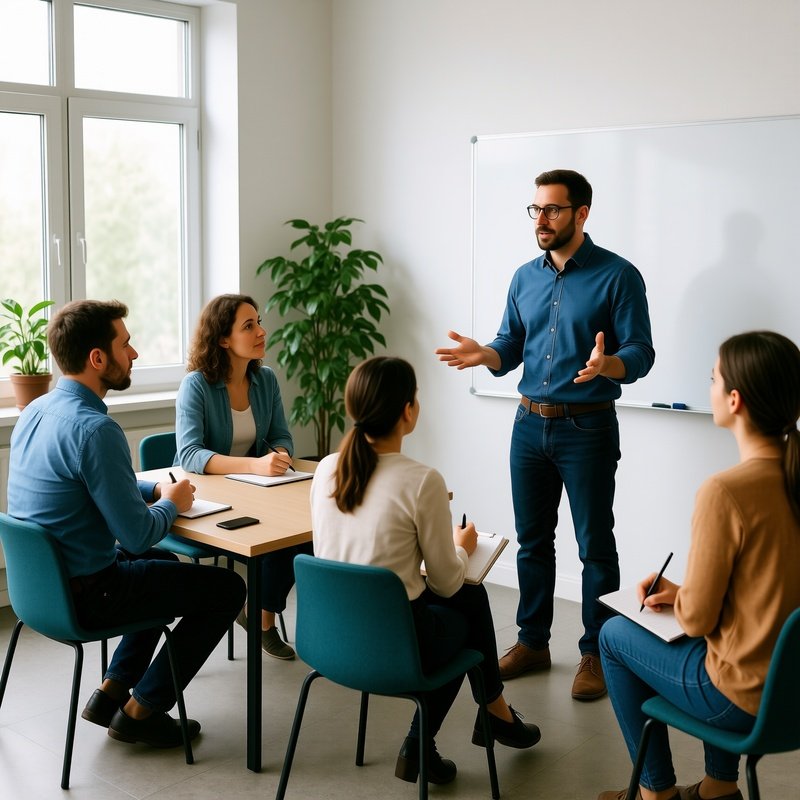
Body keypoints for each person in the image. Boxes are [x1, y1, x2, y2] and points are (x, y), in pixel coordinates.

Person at [435, 169, 655, 700]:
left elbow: (640, 354)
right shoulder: (523, 277)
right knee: (533, 544)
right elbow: (510, 345)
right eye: (535, 210)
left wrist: (608, 366)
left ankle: (596, 653)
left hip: (588, 428)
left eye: (553, 210)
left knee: (594, 548)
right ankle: (532, 642)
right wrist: (485, 354)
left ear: (581, 214)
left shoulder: (618, 276)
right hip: (528, 424)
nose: (541, 220)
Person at [7, 299, 246, 749]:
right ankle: (144, 710)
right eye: (126, 344)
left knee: (154, 562)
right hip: (91, 595)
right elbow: (136, 532)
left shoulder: (36, 412)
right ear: (98, 359)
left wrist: (148, 489)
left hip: (42, 589)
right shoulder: (96, 429)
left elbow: (83, 482)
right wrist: (172, 502)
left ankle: (111, 690)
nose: (134, 354)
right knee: (227, 590)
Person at [310, 356, 541, 786]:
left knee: (466, 602)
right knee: (469, 605)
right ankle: (453, 729)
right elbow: (446, 581)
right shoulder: (421, 481)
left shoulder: (326, 469)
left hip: (330, 640)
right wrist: (460, 545)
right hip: (395, 649)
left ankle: (493, 715)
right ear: (408, 411)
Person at [598, 330, 800, 800]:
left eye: (712, 379)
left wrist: (682, 603)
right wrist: (683, 593)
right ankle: (717, 787)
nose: (707, 387)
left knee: (612, 636)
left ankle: (655, 793)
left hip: (742, 701)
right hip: (791, 694)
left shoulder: (726, 492)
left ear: (735, 400)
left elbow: (701, 619)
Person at [175, 293, 313, 660]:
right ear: (223, 339)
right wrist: (255, 465)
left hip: (258, 490)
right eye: (248, 325)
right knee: (279, 537)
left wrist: (280, 455)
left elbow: (281, 435)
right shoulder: (197, 384)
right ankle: (261, 619)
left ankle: (258, 614)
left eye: (259, 322)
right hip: (207, 498)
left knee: (306, 529)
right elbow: (189, 454)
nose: (261, 331)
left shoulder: (265, 379)